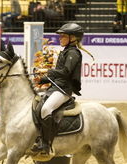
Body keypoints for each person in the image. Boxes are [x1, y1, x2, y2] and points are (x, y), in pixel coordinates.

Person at [31, 23, 94, 155]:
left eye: (63, 36)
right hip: (56, 87)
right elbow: (58, 76)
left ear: (73, 38)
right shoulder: (65, 51)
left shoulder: (73, 53)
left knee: (46, 109)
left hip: (63, 90)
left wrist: (46, 70)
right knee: (36, 104)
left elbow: (65, 72)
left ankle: (46, 144)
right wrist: (42, 80)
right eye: (60, 36)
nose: (60, 38)